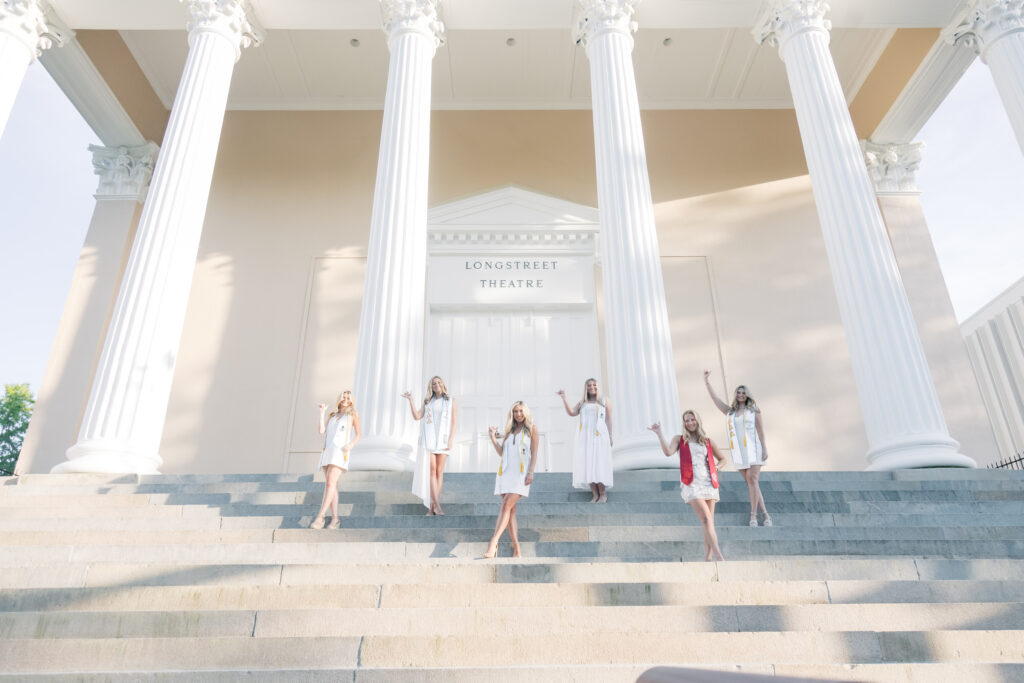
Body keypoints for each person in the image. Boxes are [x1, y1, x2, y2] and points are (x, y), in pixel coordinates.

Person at [649, 410, 726, 562]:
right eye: (686, 420)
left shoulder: (707, 441)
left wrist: (716, 468)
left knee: (708, 521)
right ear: (683, 423)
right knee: (706, 518)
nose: (690, 423)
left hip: (709, 482)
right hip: (691, 482)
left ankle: (708, 557)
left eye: (692, 419)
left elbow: (722, 459)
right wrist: (659, 434)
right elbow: (668, 452)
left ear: (698, 421)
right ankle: (720, 556)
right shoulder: (679, 439)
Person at [704, 370, 772, 527]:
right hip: (739, 453)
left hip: (754, 450)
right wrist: (707, 382)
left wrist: (765, 449)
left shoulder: (754, 410)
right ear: (736, 395)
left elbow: (760, 431)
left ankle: (753, 516)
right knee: (752, 484)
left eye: (743, 392)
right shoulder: (730, 412)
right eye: (738, 392)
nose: (741, 395)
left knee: (753, 480)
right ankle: (766, 515)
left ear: (747, 395)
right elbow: (715, 399)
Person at [481, 401, 539, 559]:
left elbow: (534, 453)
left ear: (525, 412)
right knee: (511, 510)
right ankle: (517, 549)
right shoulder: (509, 431)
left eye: (520, 411)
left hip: (521, 474)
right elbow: (502, 453)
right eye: (515, 411)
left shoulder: (532, 429)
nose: (518, 414)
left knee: (506, 504)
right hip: (505, 474)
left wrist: (531, 472)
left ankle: (493, 542)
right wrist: (493, 439)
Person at [404, 376, 458, 515]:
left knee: (440, 473)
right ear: (431, 387)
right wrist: (410, 400)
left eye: (439, 382)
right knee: (432, 472)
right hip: (430, 440)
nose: (436, 385)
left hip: (443, 440)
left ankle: (432, 507)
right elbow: (417, 416)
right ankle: (436, 506)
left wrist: (451, 440)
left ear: (443, 384)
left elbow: (453, 422)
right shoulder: (428, 402)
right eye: (434, 384)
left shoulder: (451, 400)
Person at [557, 378, 613, 502]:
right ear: (585, 388)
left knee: (598, 463)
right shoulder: (582, 402)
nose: (592, 387)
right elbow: (572, 412)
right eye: (589, 385)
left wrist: (610, 436)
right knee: (588, 463)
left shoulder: (604, 400)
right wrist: (564, 397)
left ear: (597, 386)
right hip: (585, 437)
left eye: (594, 385)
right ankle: (595, 494)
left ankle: (602, 493)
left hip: (599, 436)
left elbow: (608, 419)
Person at [312, 391, 361, 530]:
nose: (345, 400)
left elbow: (358, 434)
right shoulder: (332, 415)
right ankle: (335, 519)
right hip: (328, 451)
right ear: (340, 399)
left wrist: (350, 445)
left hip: (340, 452)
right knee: (332, 486)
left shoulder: (353, 414)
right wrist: (322, 413)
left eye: (348, 398)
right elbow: (322, 431)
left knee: (330, 483)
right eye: (343, 397)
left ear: (351, 401)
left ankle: (320, 517)